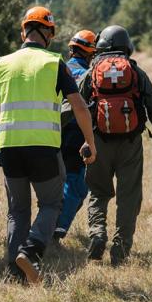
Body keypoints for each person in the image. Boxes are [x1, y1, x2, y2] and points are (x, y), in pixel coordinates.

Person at [0, 6, 97, 285]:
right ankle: (30, 252)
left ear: (24, 32)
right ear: (49, 33)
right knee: (51, 203)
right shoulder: (54, 63)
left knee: (17, 210)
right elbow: (78, 105)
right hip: (44, 148)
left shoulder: (3, 63)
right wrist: (90, 142)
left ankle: (14, 273)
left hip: (9, 150)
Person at [78, 25, 152, 266]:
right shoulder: (135, 71)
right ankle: (120, 247)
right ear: (126, 45)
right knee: (129, 195)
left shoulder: (91, 72)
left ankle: (98, 233)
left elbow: (76, 105)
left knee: (98, 192)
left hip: (98, 140)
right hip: (131, 143)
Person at [53, 30, 96, 243]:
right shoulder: (90, 74)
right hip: (78, 134)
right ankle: (56, 230)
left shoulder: (59, 68)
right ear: (90, 53)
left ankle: (57, 222)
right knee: (76, 183)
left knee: (67, 182)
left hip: (54, 132)